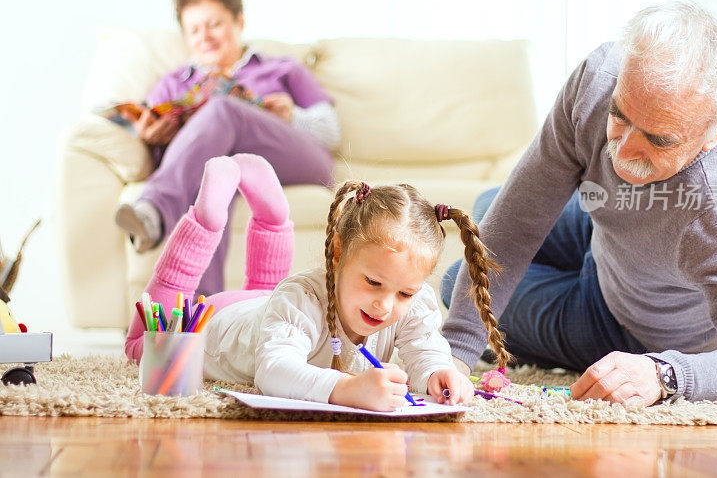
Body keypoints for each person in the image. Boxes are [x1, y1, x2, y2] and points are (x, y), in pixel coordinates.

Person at [441, 0, 717, 406]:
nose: (623, 151)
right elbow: (519, 217)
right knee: (492, 207)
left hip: (634, 325)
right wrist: (454, 356)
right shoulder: (598, 80)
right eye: (620, 116)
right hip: (603, 232)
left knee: (456, 282)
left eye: (659, 140)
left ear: (716, 134)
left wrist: (664, 374)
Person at [124, 154, 510, 411]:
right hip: (223, 320)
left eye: (404, 292)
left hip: (268, 308)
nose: (385, 305)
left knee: (273, 293)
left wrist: (438, 372)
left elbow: (426, 347)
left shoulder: (415, 300)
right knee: (145, 343)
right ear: (339, 252)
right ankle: (206, 220)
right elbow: (273, 370)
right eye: (373, 282)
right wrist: (344, 390)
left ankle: (272, 213)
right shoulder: (298, 300)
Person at [114, 0, 338, 298]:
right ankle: (204, 320)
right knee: (214, 183)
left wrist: (293, 117)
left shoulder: (282, 69)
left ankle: (153, 210)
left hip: (293, 159)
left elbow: (331, 131)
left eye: (214, 23)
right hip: (223, 168)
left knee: (223, 110)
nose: (204, 36)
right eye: (194, 30)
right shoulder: (174, 83)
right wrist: (151, 136)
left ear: (239, 21)